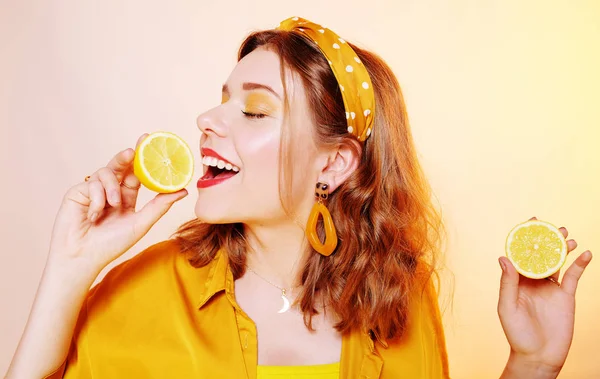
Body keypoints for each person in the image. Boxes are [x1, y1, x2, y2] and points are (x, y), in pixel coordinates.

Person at [6, 16, 593, 379]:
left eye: (255, 109)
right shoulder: (135, 294)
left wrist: (532, 365)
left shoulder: (398, 298)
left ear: (333, 163)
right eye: (222, 98)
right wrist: (71, 265)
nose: (207, 119)